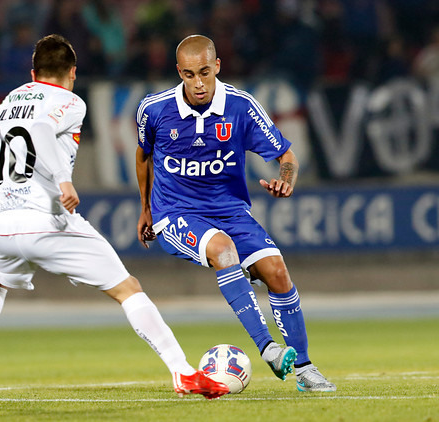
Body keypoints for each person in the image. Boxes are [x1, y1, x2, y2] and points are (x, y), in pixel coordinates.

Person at [0, 34, 228, 400]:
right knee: (128, 288)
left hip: (0, 225)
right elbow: (42, 130)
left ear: (32, 72)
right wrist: (63, 182)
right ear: (73, 73)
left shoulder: (6, 105)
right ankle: (184, 373)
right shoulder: (70, 102)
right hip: (46, 219)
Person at [135, 34, 336, 393]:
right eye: (189, 75)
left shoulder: (241, 107)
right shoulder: (154, 109)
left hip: (230, 212)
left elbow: (286, 157)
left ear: (218, 67)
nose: (198, 83)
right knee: (222, 248)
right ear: (179, 72)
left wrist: (285, 180)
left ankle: (305, 369)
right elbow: (143, 155)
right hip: (176, 212)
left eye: (205, 73)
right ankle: (268, 348)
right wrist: (146, 209)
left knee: (277, 271)